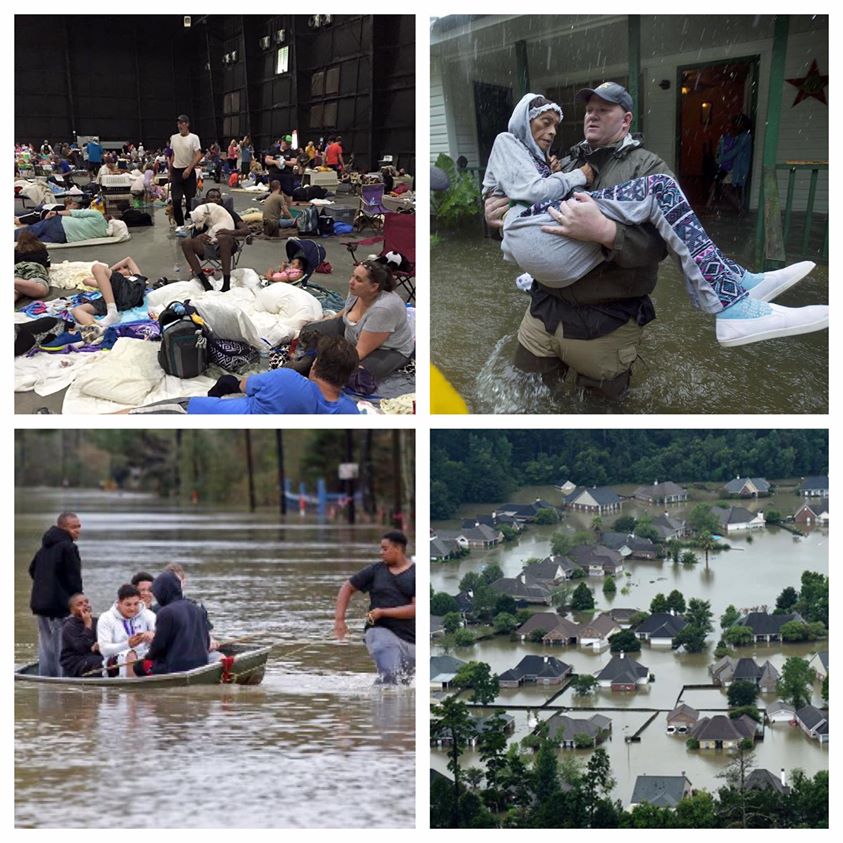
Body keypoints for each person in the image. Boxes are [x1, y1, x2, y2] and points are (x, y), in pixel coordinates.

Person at [485, 85, 825, 395]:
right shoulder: (569, 160)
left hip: (605, 324)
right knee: (524, 399)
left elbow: (663, 245)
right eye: (590, 108)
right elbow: (528, 213)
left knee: (600, 414)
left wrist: (606, 233)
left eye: (604, 109)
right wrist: (494, 214)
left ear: (626, 119)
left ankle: (734, 287)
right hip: (543, 313)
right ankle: (732, 292)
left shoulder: (647, 165)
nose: (592, 114)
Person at [288, 261, 414, 384]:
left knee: (352, 376)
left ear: (374, 287)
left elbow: (360, 352)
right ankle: (305, 362)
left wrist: (322, 365)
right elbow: (348, 309)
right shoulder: (357, 290)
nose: (351, 282)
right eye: (352, 276)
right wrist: (332, 319)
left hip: (386, 349)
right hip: (355, 333)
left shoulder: (383, 309)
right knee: (310, 332)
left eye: (358, 279)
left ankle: (309, 366)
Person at [181, 335, 362, 415]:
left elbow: (244, 385)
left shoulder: (287, 380)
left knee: (228, 382)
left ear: (315, 364)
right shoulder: (349, 412)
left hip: (200, 415)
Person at [334, 531, 415, 684]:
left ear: (398, 549)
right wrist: (340, 619)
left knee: (401, 684)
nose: (380, 553)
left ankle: (375, 700)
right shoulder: (375, 571)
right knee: (390, 675)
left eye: (385, 549)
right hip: (379, 630)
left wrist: (383, 612)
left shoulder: (416, 573)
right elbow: (347, 587)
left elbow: (416, 609)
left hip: (411, 638)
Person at [29, 512, 83, 677]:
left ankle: (46, 679)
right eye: (73, 527)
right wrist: (79, 603)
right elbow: (74, 580)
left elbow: (32, 570)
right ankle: (63, 680)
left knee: (46, 646)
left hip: (40, 605)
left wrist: (46, 587)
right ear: (62, 528)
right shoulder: (68, 547)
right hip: (60, 607)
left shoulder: (43, 548)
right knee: (63, 645)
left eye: (79, 526)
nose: (78, 530)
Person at [133, 570, 210, 676]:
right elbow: (207, 642)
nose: (156, 596)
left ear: (163, 591)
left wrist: (147, 657)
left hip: (175, 667)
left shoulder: (166, 612)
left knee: (138, 666)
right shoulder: (198, 609)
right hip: (202, 663)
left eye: (156, 592)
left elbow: (158, 647)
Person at [180, 187, 249, 292]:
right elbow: (194, 235)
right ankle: (205, 282)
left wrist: (231, 232)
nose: (215, 199)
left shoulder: (228, 212)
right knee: (186, 243)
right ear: (206, 201)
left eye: (218, 197)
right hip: (206, 246)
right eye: (212, 197)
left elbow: (246, 230)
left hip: (227, 246)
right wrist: (198, 237)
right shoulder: (200, 213)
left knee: (223, 238)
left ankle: (226, 285)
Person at [69, 256, 147, 329]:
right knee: (76, 310)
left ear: (130, 271)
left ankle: (112, 312)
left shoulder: (137, 277)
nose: (121, 269)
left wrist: (109, 270)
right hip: (115, 300)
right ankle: (98, 329)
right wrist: (105, 274)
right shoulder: (106, 284)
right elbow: (86, 281)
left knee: (97, 267)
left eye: (124, 268)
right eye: (118, 269)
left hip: (130, 291)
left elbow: (128, 260)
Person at [97, 583, 157, 677]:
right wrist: (127, 644)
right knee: (130, 654)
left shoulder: (148, 615)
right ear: (119, 603)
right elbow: (104, 649)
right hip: (115, 663)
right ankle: (132, 689)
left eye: (136, 604)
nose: (132, 608)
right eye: (128, 605)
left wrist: (153, 635)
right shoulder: (106, 618)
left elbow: (161, 637)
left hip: (143, 657)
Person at [14, 197, 107, 245]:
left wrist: (56, 213)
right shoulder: (104, 233)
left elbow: (75, 213)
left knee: (29, 231)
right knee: (31, 241)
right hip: (63, 238)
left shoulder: (98, 215)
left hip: (59, 223)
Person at [169, 114, 203, 232]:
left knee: (190, 200)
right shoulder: (173, 138)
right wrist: (170, 170)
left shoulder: (194, 138)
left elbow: (199, 154)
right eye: (178, 123)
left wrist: (189, 169)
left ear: (187, 124)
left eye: (182, 123)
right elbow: (173, 154)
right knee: (176, 200)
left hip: (189, 171)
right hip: (177, 172)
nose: (180, 125)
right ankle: (180, 225)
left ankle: (191, 220)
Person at [60, 593, 103, 678]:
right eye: (80, 604)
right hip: (76, 661)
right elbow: (81, 648)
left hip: (93, 656)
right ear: (72, 610)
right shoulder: (69, 626)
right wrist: (87, 625)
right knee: (100, 662)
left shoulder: (97, 621)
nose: (85, 605)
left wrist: (100, 645)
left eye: (86, 602)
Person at [15, 230, 51, 301]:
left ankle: (17, 282)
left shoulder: (15, 250)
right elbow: (48, 267)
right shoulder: (42, 249)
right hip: (34, 267)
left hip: (17, 267)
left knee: (16, 291)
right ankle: (20, 282)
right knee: (41, 289)